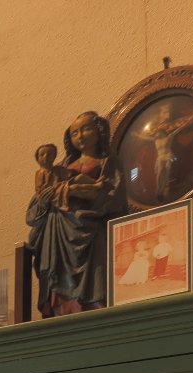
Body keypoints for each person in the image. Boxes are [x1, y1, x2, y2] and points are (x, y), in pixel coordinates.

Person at [25, 111, 127, 317]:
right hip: (58, 233)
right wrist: (46, 201)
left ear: (99, 131)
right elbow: (36, 208)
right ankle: (61, 309)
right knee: (58, 280)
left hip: (92, 233)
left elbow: (114, 197)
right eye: (74, 133)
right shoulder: (60, 167)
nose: (80, 136)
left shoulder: (109, 162)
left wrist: (77, 196)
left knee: (96, 279)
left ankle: (94, 309)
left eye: (86, 129)